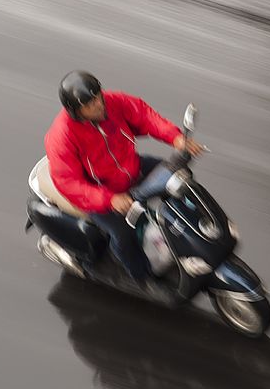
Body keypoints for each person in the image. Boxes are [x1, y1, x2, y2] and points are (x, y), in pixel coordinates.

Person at [45, 71, 203, 293]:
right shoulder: (62, 136)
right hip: (99, 194)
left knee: (177, 176)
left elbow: (145, 116)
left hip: (131, 169)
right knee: (123, 234)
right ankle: (141, 277)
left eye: (98, 97)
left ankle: (199, 227)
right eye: (89, 104)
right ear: (75, 111)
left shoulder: (113, 102)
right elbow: (67, 182)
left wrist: (175, 137)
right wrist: (109, 199)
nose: (99, 105)